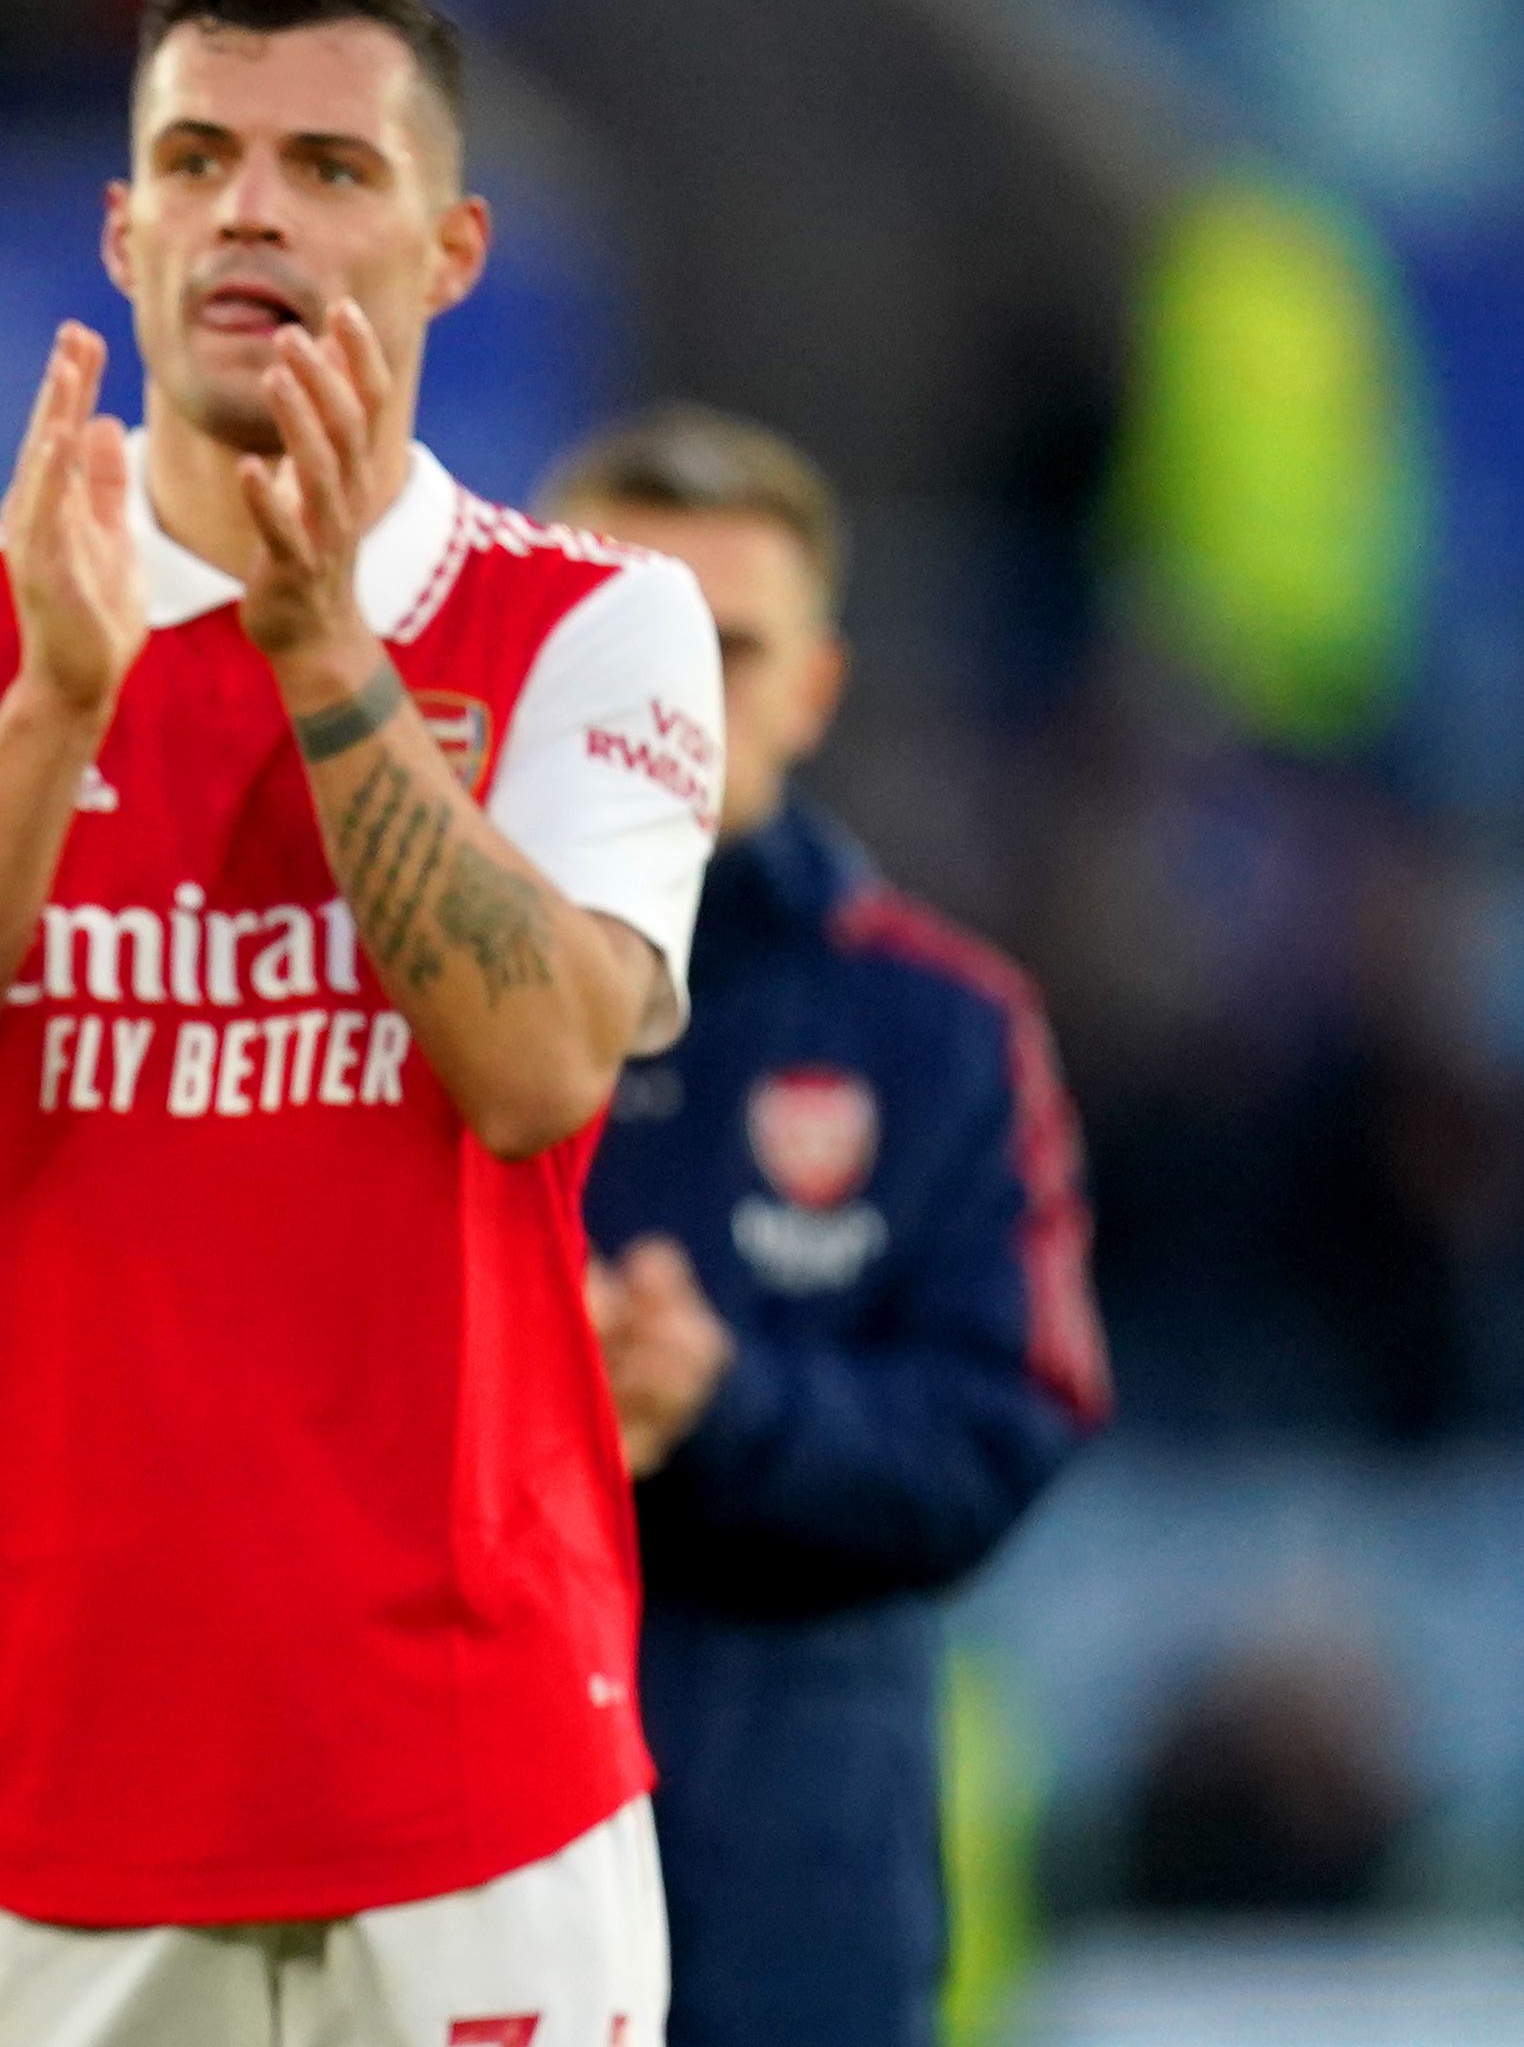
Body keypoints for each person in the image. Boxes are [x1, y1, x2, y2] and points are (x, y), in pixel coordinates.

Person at [0, 0, 726, 2046]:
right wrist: (67, 705)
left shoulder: (593, 626)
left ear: (452, 246)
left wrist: (324, 655)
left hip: (475, 1785)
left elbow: (538, 1071)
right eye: (199, 158)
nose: (254, 209)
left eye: (329, 164)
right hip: (31, 1796)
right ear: (124, 231)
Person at [543, 405, 1110, 2047]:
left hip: (795, 1893)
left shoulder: (939, 1027)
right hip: (425, 1863)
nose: (677, 697)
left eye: (729, 647)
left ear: (814, 687)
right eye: (626, 637)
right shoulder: (382, 989)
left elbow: (1011, 1425)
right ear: (525, 658)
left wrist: (726, 1403)